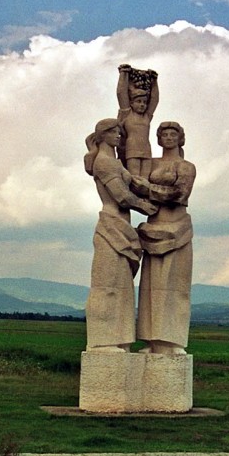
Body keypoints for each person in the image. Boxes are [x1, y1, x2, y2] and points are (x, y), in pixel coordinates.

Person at [83, 118, 158, 351]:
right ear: (103, 135)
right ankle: (103, 340)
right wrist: (144, 206)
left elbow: (132, 183)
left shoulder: (115, 162)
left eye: (119, 131)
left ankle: (119, 339)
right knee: (108, 286)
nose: (118, 135)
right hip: (111, 225)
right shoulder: (104, 162)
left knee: (122, 288)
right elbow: (121, 196)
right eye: (114, 131)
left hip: (122, 227)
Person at [132, 121, 196, 355]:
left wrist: (147, 189)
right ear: (158, 138)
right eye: (164, 134)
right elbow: (130, 182)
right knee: (152, 287)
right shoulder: (151, 164)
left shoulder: (186, 166)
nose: (168, 137)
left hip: (178, 229)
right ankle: (151, 340)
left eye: (173, 134)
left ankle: (172, 341)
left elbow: (179, 194)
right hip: (153, 229)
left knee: (175, 286)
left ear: (180, 139)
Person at [116, 64, 159, 179]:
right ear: (131, 103)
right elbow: (121, 93)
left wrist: (154, 81)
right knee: (134, 177)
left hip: (146, 148)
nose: (142, 105)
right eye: (139, 101)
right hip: (132, 149)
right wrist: (123, 74)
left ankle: (145, 197)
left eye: (144, 102)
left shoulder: (146, 117)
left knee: (146, 179)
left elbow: (154, 100)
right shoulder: (127, 114)